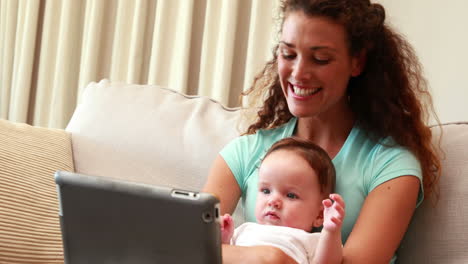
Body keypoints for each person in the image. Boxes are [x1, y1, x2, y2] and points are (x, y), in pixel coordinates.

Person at [203, 0, 441, 263]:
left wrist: (272, 259)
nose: (298, 73)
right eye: (288, 54)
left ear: (357, 62)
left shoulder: (391, 165)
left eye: (320, 59)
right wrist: (267, 256)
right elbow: (186, 246)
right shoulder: (245, 151)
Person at [220, 137, 345, 264]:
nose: (273, 201)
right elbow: (223, 255)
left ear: (319, 215)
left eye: (291, 195)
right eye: (266, 191)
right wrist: (224, 238)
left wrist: (331, 232)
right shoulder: (244, 230)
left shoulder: (311, 240)